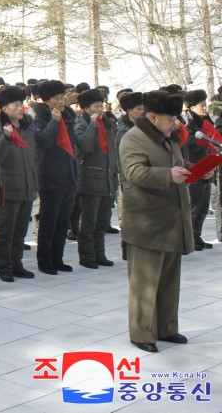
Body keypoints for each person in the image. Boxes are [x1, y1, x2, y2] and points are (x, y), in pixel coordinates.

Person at [120, 90, 193, 353]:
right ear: (152, 116)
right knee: (145, 282)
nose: (176, 122)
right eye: (170, 118)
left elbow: (175, 169)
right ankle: (141, 332)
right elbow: (134, 172)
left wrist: (193, 173)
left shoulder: (168, 139)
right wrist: (168, 174)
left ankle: (166, 328)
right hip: (147, 221)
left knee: (169, 280)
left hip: (171, 220)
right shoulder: (134, 138)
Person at [0, 86, 38, 282]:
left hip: (27, 184)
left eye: (21, 104)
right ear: (4, 109)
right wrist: (6, 138)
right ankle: (4, 267)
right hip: (8, 186)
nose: (21, 108)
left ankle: (16, 263)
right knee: (5, 230)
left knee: (20, 231)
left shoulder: (27, 127)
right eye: (16, 105)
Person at [32, 80, 78, 275]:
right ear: (47, 101)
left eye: (62, 98)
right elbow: (42, 142)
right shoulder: (40, 118)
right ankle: (45, 260)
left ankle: (58, 258)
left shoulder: (69, 116)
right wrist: (54, 121)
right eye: (56, 99)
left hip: (68, 174)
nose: (61, 102)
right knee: (49, 222)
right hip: (50, 175)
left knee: (62, 222)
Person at [75, 88, 118, 269]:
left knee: (102, 222)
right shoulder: (81, 124)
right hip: (90, 179)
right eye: (96, 106)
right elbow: (85, 145)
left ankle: (99, 254)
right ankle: (87, 256)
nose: (100, 109)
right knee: (89, 222)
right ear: (86, 108)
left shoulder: (107, 124)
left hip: (107, 179)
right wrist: (93, 125)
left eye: (102, 106)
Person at [181, 89, 215, 251]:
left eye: (205, 104)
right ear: (192, 107)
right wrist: (204, 137)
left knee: (203, 206)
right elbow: (190, 142)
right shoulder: (189, 123)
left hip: (208, 165)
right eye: (202, 105)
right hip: (195, 166)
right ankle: (190, 238)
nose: (205, 108)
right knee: (194, 206)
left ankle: (198, 235)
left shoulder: (207, 121)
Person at [116, 91, 144, 261]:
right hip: (129, 179)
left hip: (141, 177)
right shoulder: (123, 131)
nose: (142, 111)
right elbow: (122, 159)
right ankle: (127, 249)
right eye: (139, 109)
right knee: (129, 217)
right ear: (128, 111)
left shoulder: (143, 128)